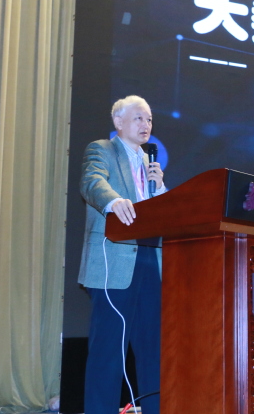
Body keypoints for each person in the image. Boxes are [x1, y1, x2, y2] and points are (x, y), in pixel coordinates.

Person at [78, 95, 166, 414]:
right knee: (108, 351)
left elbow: (161, 211)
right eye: (139, 118)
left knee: (153, 350)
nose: (146, 124)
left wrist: (162, 188)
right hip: (113, 259)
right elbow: (92, 182)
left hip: (150, 260)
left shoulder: (149, 163)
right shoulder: (102, 149)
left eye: (149, 119)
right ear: (118, 121)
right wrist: (114, 202)